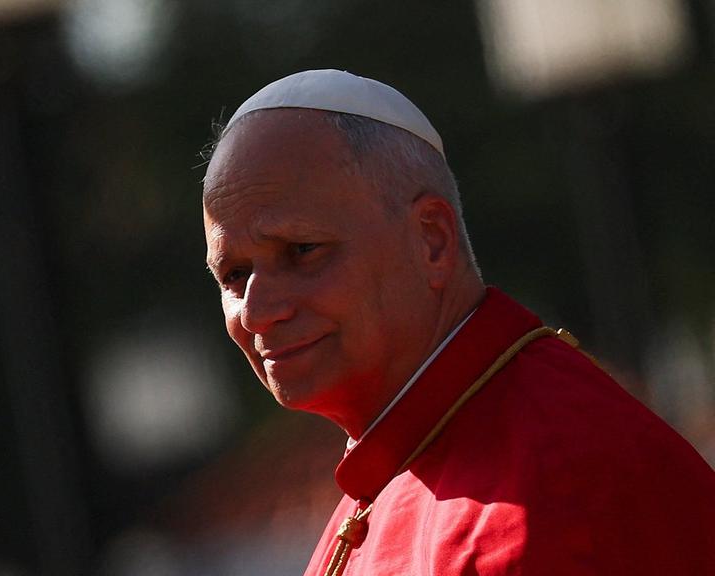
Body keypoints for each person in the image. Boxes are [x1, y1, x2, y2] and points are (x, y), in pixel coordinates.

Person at [201, 69, 715, 575]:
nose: (258, 311)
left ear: (433, 240)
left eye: (302, 250)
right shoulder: (392, 466)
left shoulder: (546, 495)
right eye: (234, 275)